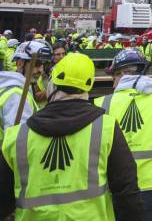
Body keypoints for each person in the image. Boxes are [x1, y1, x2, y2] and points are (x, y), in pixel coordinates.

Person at [0, 52, 144, 220]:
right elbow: (127, 192)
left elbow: (3, 199)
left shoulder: (17, 136)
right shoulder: (106, 128)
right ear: (87, 88)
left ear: (52, 85)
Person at [92, 49, 152, 220]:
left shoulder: (102, 104)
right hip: (149, 192)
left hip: (112, 190)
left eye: (114, 76)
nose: (113, 83)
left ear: (123, 74)